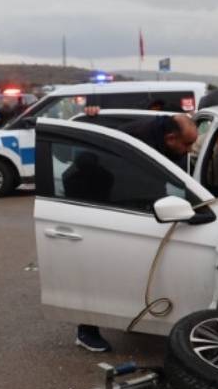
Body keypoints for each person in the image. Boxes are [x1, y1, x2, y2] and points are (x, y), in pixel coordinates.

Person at [73, 113, 199, 353]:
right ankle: (86, 330)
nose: (189, 150)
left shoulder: (165, 139)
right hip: (115, 208)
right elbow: (134, 186)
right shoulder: (139, 143)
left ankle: (141, 316)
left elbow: (179, 175)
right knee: (106, 269)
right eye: (187, 144)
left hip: (140, 204)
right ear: (171, 138)